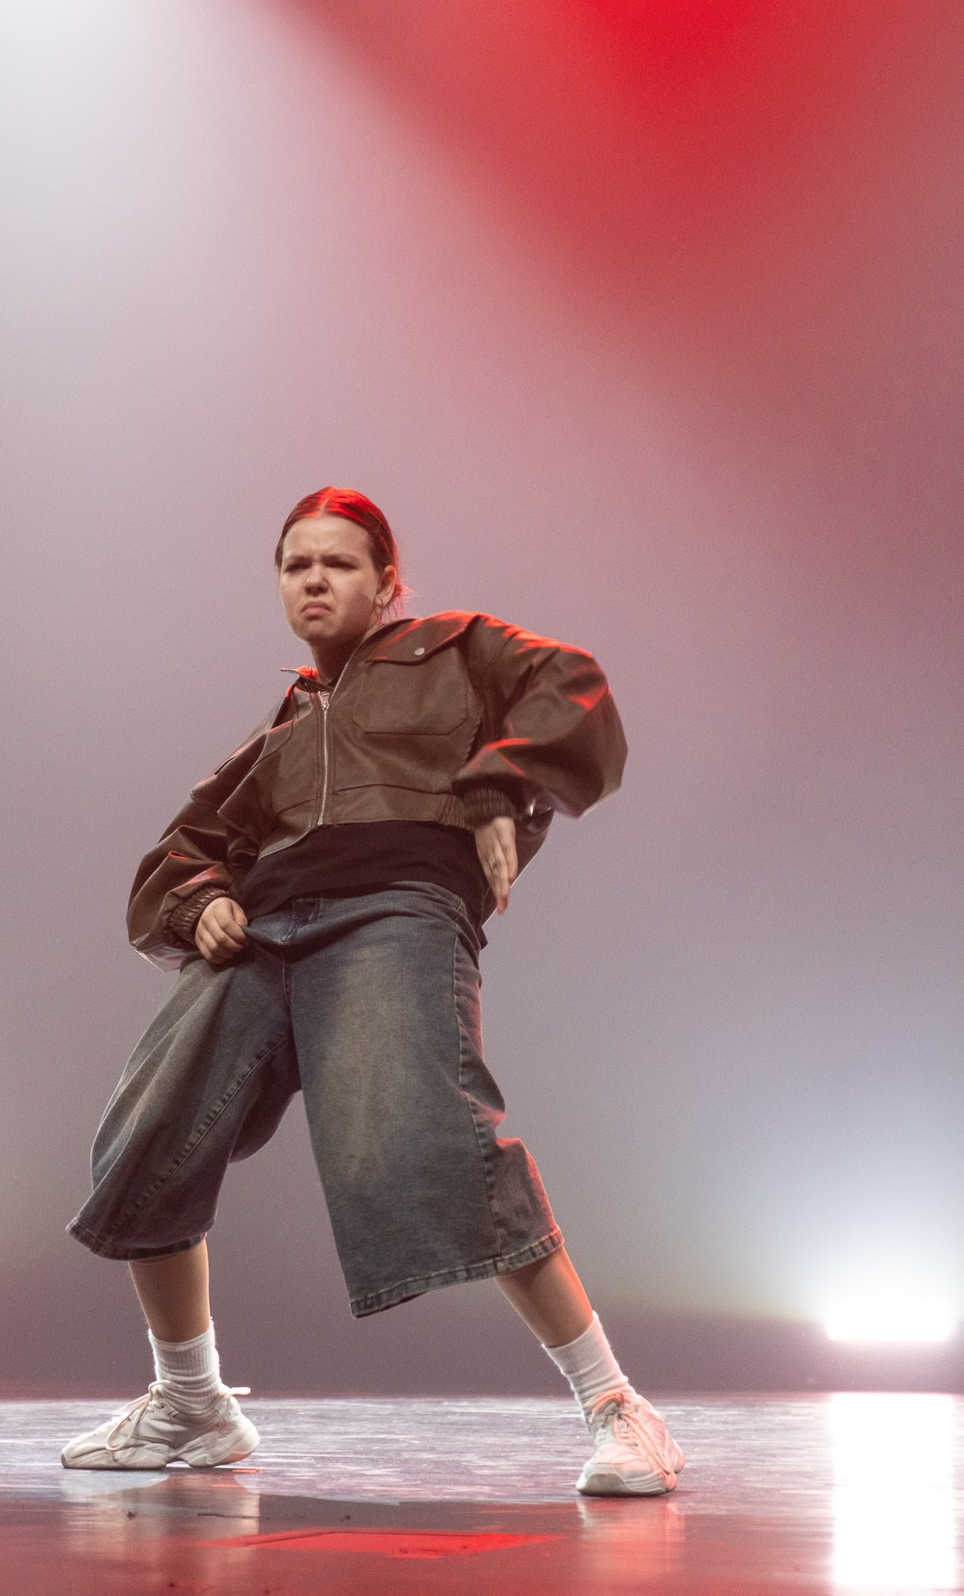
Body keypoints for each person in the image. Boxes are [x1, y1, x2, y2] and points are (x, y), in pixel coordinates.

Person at [63, 488, 684, 1496]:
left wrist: (497, 786)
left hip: (392, 905)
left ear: (386, 581)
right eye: (295, 564)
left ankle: (617, 1404)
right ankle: (190, 1400)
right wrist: (200, 900)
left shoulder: (456, 648)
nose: (313, 579)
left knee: (432, 1143)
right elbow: (181, 850)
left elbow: (571, 686)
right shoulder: (278, 731)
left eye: (338, 562)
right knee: (148, 1135)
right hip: (264, 932)